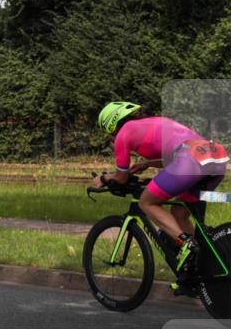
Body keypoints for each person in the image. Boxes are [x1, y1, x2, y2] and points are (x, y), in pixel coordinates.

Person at [93, 101, 228, 290]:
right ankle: (201, 262)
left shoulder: (123, 134)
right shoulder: (155, 122)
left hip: (189, 160)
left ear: (111, 125)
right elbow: (181, 150)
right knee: (179, 213)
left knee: (146, 202)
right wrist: (148, 164)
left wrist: (104, 178)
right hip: (215, 157)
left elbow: (121, 178)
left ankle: (186, 243)